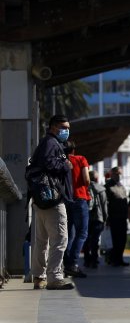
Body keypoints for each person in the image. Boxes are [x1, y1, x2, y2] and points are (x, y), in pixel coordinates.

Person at [29, 115, 75, 290]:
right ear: (54, 127)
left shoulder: (47, 142)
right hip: (53, 200)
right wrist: (66, 165)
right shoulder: (51, 143)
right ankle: (55, 277)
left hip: (42, 200)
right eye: (64, 127)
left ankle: (39, 277)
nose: (67, 131)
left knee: (42, 241)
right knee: (60, 239)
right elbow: (50, 163)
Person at [62, 140, 90, 278]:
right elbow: (86, 179)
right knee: (82, 233)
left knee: (69, 234)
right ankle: (72, 264)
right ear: (74, 149)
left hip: (66, 200)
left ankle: (65, 262)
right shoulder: (80, 159)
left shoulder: (62, 162)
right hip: (80, 198)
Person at [104, 167, 130, 267]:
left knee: (122, 239)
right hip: (113, 217)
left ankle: (120, 258)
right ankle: (114, 259)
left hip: (123, 217)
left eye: (120, 173)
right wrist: (107, 219)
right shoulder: (108, 186)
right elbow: (106, 203)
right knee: (115, 240)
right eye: (117, 173)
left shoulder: (121, 186)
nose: (119, 175)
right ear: (112, 174)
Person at [84, 170, 108, 269]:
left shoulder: (85, 187)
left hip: (87, 217)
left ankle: (86, 259)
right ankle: (94, 259)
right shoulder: (101, 189)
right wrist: (105, 218)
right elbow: (104, 205)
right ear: (97, 178)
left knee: (86, 239)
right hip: (98, 217)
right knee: (95, 239)